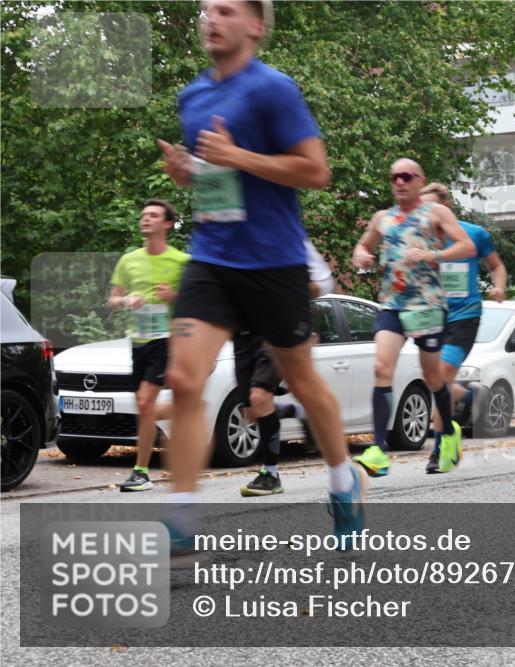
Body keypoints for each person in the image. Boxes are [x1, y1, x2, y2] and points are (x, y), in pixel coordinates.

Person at [157, 0, 362, 556]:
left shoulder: (274, 89)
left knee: (303, 381)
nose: (210, 18)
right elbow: (218, 179)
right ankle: (180, 513)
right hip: (213, 258)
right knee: (183, 378)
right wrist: (189, 173)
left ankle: (344, 480)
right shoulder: (192, 95)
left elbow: (316, 171)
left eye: (224, 9)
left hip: (274, 261)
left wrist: (237, 155)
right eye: (205, 9)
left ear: (255, 25)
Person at [351, 160, 475, 478]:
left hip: (427, 306)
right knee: (382, 367)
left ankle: (448, 433)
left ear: (420, 181)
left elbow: (466, 246)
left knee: (432, 377)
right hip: (391, 305)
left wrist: (433, 255)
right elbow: (363, 245)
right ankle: (377, 450)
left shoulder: (436, 214)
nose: (399, 182)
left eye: (406, 176)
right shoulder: (382, 218)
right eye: (394, 176)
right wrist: (361, 255)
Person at [418, 183, 507, 474]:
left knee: (441, 379)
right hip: (432, 316)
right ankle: (469, 396)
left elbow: (497, 266)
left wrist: (499, 287)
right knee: (437, 383)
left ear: (446, 208)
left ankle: (439, 448)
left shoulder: (474, 234)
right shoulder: (417, 238)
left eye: (431, 208)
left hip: (464, 316)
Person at [238, 240, 333, 496]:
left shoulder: (286, 236)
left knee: (259, 397)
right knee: (251, 410)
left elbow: (323, 282)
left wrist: (290, 293)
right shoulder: (228, 240)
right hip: (243, 336)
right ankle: (297, 411)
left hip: (275, 331)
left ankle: (271, 474)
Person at [107, 199, 190, 492]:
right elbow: (113, 300)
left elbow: (197, 302)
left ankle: (140, 471)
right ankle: (186, 408)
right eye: (143, 215)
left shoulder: (181, 261)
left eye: (153, 215)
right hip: (139, 340)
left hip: (167, 340)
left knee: (144, 402)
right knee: (145, 408)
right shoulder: (129, 260)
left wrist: (173, 296)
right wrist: (126, 300)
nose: (145, 219)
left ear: (167, 224)